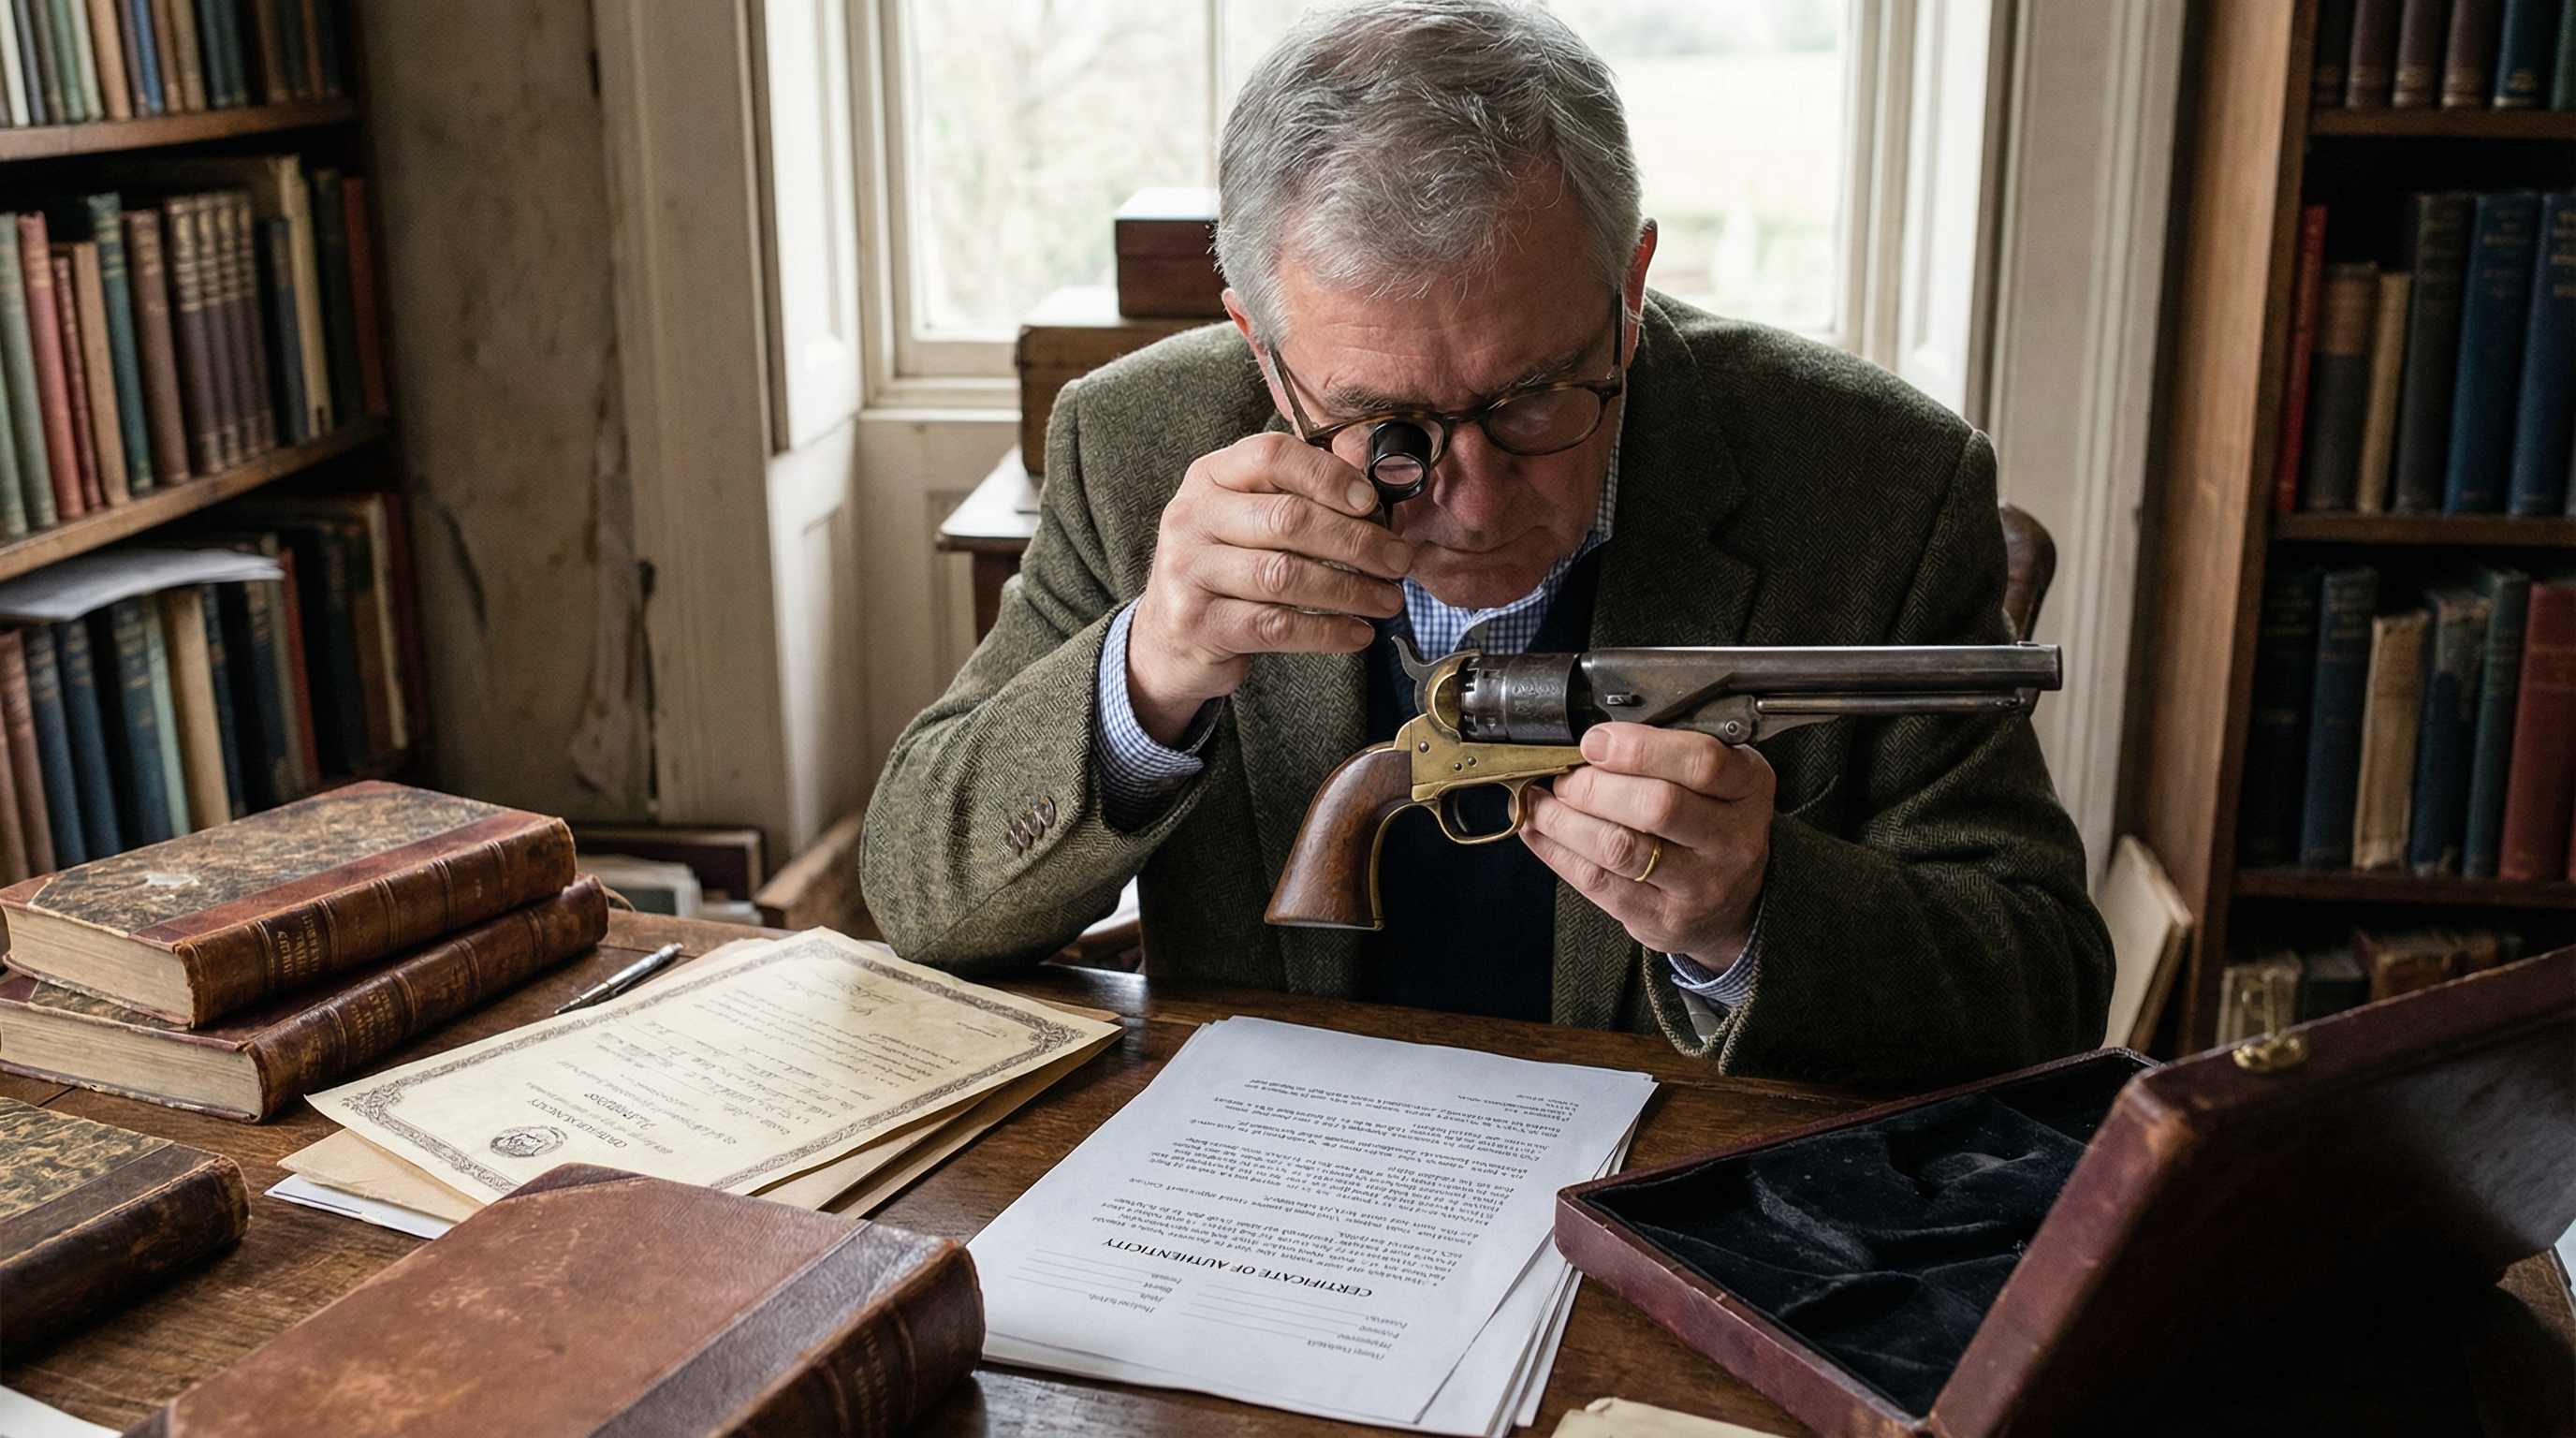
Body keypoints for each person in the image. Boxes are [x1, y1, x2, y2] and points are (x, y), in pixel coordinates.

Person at [862, 0, 2111, 1085]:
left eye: (1531, 401)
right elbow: (918, 892)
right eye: (1387, 429)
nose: (1472, 504)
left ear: (1630, 291)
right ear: (1261, 347)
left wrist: (1751, 914)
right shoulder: (1138, 447)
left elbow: (2046, 989)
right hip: (1272, 1180)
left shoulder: (1881, 480)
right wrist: (1147, 678)